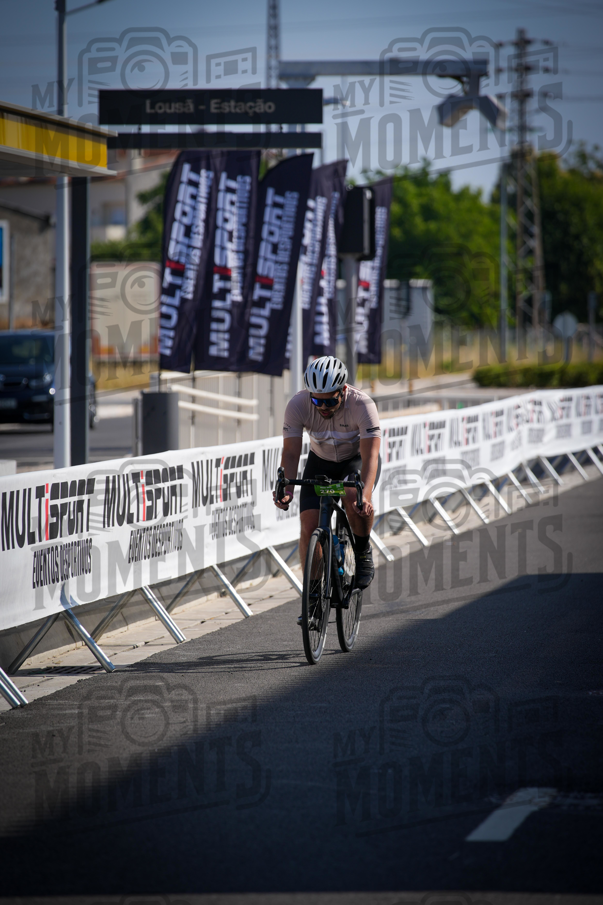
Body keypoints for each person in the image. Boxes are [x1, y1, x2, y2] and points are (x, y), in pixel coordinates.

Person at [274, 356, 381, 620]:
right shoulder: (298, 404)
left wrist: (365, 495)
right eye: (316, 400)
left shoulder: (362, 404)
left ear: (343, 391)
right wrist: (285, 487)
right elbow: (290, 453)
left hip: (354, 461)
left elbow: (370, 458)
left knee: (354, 497)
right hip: (319, 462)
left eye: (330, 401)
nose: (322, 406)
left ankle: (363, 549)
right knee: (309, 528)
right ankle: (312, 597)